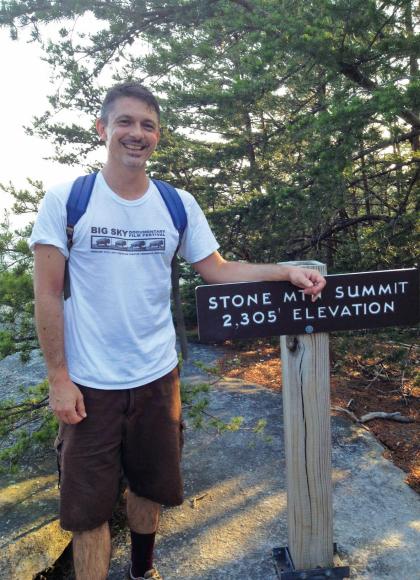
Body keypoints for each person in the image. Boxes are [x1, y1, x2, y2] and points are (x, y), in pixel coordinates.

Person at [30, 82, 326, 580]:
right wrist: (59, 378)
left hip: (156, 377)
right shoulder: (67, 201)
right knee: (88, 513)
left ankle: (142, 572)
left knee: (150, 490)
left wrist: (285, 271)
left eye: (147, 125)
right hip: (89, 384)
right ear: (102, 129)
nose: (136, 133)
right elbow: (47, 294)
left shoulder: (176, 203)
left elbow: (217, 269)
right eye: (125, 122)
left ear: (157, 136)